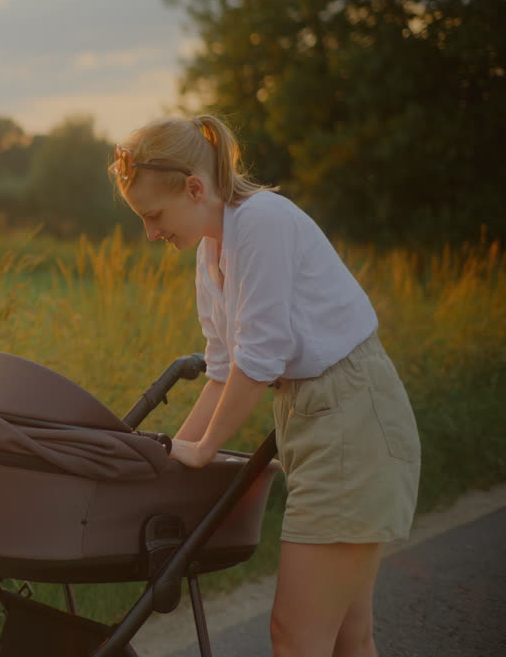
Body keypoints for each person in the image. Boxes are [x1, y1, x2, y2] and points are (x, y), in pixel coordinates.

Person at [109, 115, 421, 657]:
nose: (151, 233)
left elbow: (260, 357)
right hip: (314, 418)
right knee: (349, 639)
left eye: (153, 215)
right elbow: (224, 368)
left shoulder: (261, 222)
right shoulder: (211, 253)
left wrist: (204, 451)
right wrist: (166, 463)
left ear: (195, 187)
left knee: (296, 636)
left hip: (351, 415)